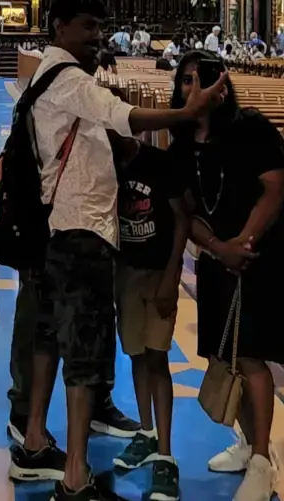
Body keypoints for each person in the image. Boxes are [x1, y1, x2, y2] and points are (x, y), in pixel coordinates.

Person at [10, 0, 225, 499]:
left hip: (53, 231)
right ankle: (76, 475)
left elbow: (114, 144)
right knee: (84, 352)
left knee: (47, 337)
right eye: (87, 26)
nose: (96, 37)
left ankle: (36, 441)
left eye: (100, 28)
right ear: (59, 26)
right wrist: (185, 113)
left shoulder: (46, 76)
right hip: (80, 230)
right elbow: (122, 116)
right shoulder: (68, 79)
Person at [168, 51, 284, 501]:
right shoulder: (183, 138)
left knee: (251, 355)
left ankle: (265, 462)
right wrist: (218, 249)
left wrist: (242, 244)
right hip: (220, 255)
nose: (189, 90)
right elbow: (184, 210)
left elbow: (275, 187)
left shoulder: (251, 127)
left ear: (220, 86)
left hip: (267, 251)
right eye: (183, 82)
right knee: (223, 353)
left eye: (196, 81)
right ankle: (249, 446)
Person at [108, 132, 189, 500]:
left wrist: (172, 276)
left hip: (158, 272)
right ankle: (146, 431)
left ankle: (166, 453)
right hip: (125, 272)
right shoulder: (105, 161)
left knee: (158, 357)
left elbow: (182, 220)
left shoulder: (157, 161)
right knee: (137, 354)